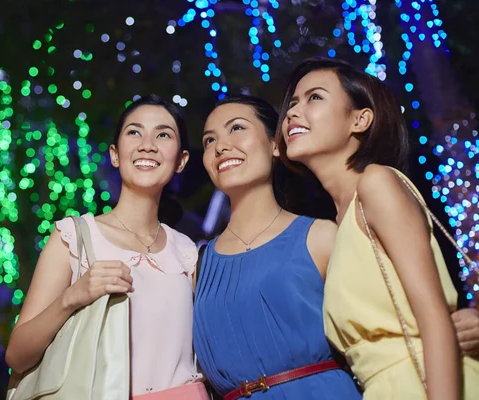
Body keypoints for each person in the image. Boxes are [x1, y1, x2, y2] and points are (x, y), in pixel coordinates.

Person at [277, 57, 479, 399]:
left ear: (360, 119)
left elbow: (433, 318)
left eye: (315, 98)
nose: (293, 112)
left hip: (426, 384)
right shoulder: (338, 224)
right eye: (293, 103)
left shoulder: (376, 183)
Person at [5, 95, 209, 399]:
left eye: (163, 134)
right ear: (115, 154)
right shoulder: (74, 236)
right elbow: (18, 356)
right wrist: (72, 297)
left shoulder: (187, 252)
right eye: (134, 132)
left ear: (181, 160)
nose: (147, 144)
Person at [193, 94, 362, 399]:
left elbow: (382, 324)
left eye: (236, 128)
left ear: (275, 144)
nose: (220, 146)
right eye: (208, 140)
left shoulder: (321, 236)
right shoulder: (199, 266)